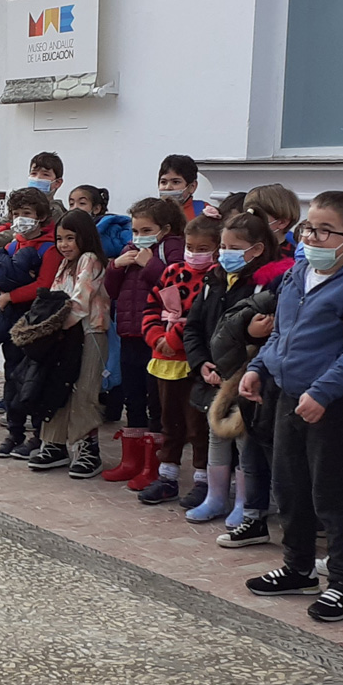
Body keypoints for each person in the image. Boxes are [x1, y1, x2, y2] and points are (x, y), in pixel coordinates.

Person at [240, 190, 343, 623]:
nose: (313, 237)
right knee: (289, 487)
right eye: (309, 227)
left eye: (326, 231)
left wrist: (322, 393)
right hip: (288, 395)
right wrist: (257, 368)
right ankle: (298, 567)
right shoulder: (297, 273)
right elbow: (280, 335)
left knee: (331, 493)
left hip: (332, 404)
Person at [194, 215, 280, 539]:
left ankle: (245, 502)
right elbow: (196, 325)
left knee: (246, 440)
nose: (225, 253)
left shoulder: (263, 284)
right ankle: (215, 497)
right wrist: (201, 361)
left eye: (234, 248)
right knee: (216, 433)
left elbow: (265, 329)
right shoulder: (214, 279)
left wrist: (251, 334)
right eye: (223, 246)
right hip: (214, 372)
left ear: (257, 249)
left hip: (247, 372)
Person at [101, 197, 187, 488]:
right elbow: (112, 291)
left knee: (156, 400)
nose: (138, 237)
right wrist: (115, 267)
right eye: (135, 231)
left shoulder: (172, 247)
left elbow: (175, 285)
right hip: (129, 332)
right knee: (132, 395)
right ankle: (131, 461)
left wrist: (149, 263)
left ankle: (155, 465)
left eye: (145, 229)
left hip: (157, 337)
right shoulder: (130, 249)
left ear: (164, 229)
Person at [140, 214, 221, 505]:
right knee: (169, 420)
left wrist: (173, 339)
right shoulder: (172, 271)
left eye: (202, 249)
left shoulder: (216, 279)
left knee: (197, 424)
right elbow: (152, 306)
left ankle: (202, 480)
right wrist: (156, 338)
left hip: (194, 362)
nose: (194, 253)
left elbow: (200, 319)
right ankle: (167, 476)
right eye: (190, 246)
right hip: (164, 358)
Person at [30, 212, 109, 476]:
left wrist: (52, 325)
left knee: (85, 390)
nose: (64, 244)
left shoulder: (90, 260)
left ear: (84, 237)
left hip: (89, 333)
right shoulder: (65, 264)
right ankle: (54, 444)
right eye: (60, 239)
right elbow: (55, 296)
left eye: (70, 238)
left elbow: (80, 300)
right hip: (66, 336)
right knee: (58, 387)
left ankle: (88, 449)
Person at [0, 188, 63, 459]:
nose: (21, 219)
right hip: (12, 320)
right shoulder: (12, 244)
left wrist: (11, 293)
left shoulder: (49, 246)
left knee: (34, 378)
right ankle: (14, 431)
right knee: (12, 376)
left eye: (27, 214)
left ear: (41, 216)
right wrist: (10, 282)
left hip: (36, 321)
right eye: (17, 214)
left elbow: (44, 284)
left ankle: (38, 436)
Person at [158, 154, 211, 220]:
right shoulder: (151, 212)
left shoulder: (205, 212)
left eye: (175, 182)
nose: (168, 187)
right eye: (163, 182)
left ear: (192, 186)